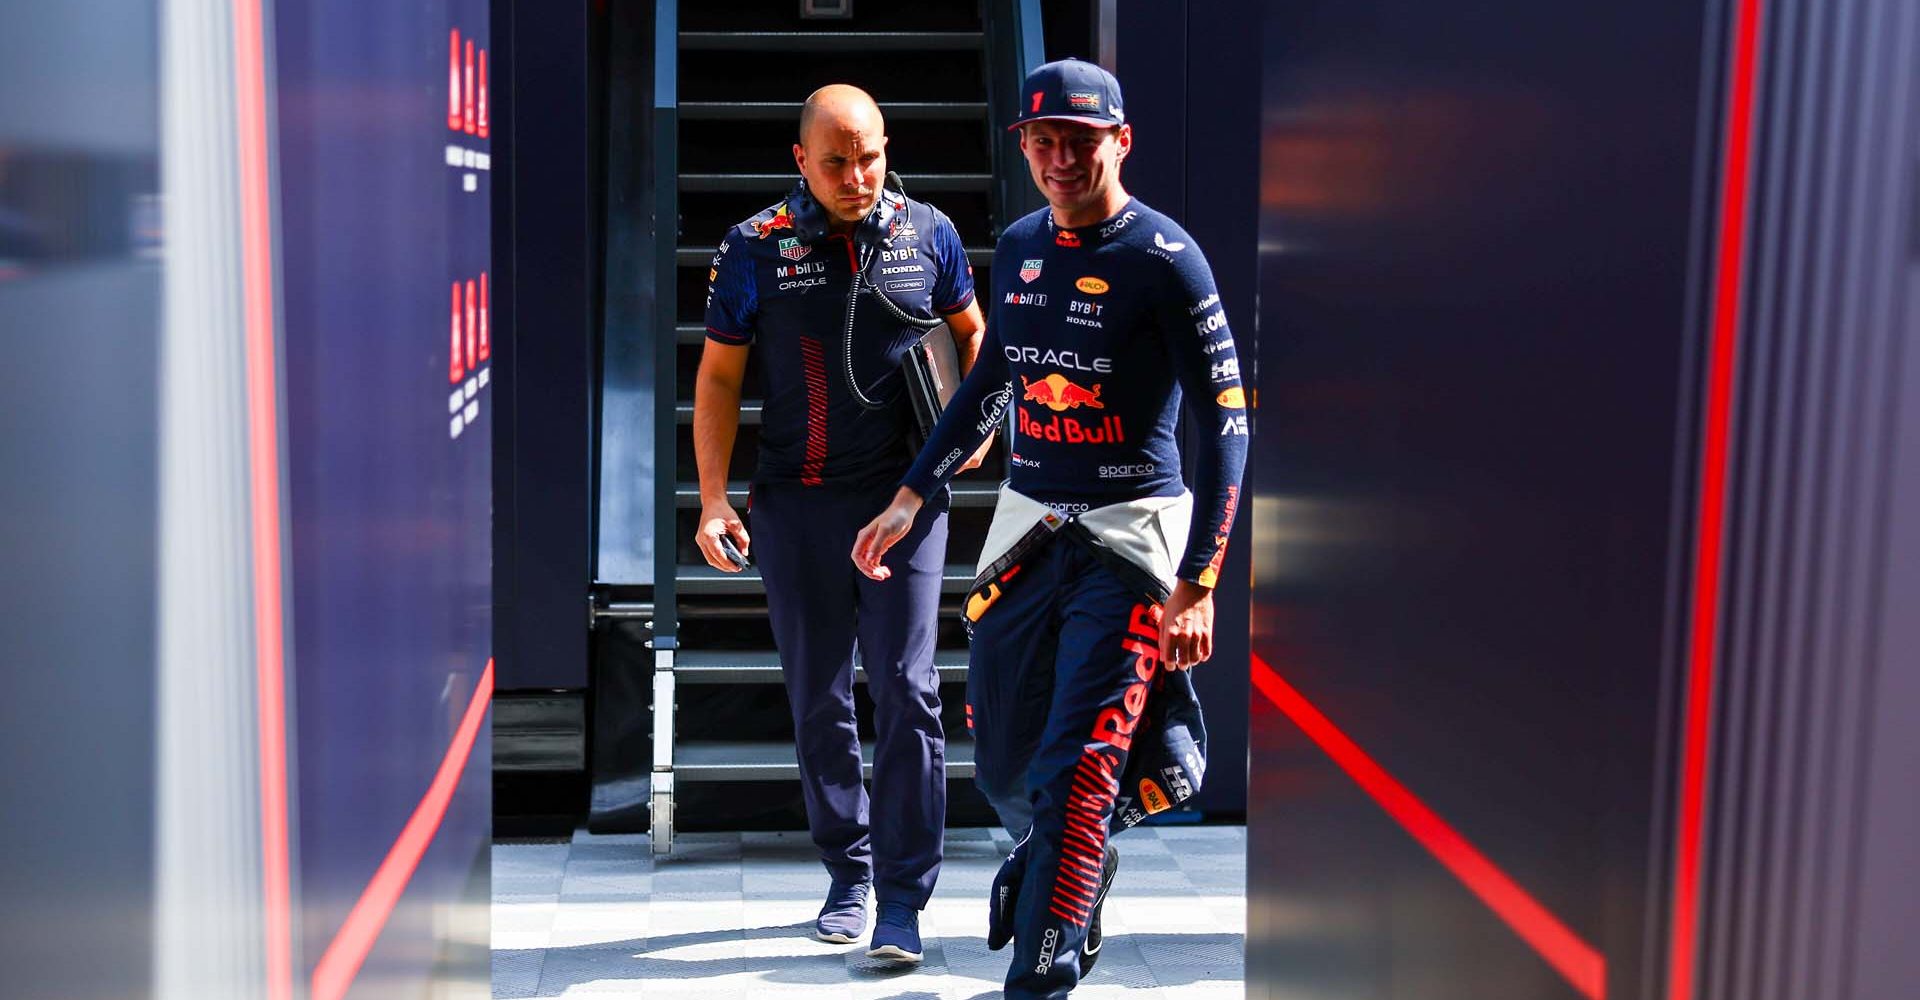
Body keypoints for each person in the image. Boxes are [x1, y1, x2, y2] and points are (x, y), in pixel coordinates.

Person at [852, 59, 1247, 997]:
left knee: (1076, 771)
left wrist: (1201, 583)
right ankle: (1095, 835)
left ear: (1122, 141)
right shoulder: (1021, 244)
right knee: (1003, 765)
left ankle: (1043, 969)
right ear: (1024, 145)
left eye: (1082, 139)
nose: (1062, 158)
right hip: (1027, 532)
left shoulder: (1167, 258)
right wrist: (912, 494)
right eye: (1044, 141)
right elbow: (993, 386)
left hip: (1132, 543)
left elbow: (1227, 425)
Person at [692, 84, 988, 964]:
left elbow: (976, 335)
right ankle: (849, 871)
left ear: (888, 147)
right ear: (800, 162)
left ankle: (903, 895)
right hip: (796, 501)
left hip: (904, 504)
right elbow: (715, 380)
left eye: (870, 156)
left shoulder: (929, 233)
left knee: (906, 688)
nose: (857, 176)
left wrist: (972, 434)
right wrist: (712, 498)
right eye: (835, 162)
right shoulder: (754, 248)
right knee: (819, 698)